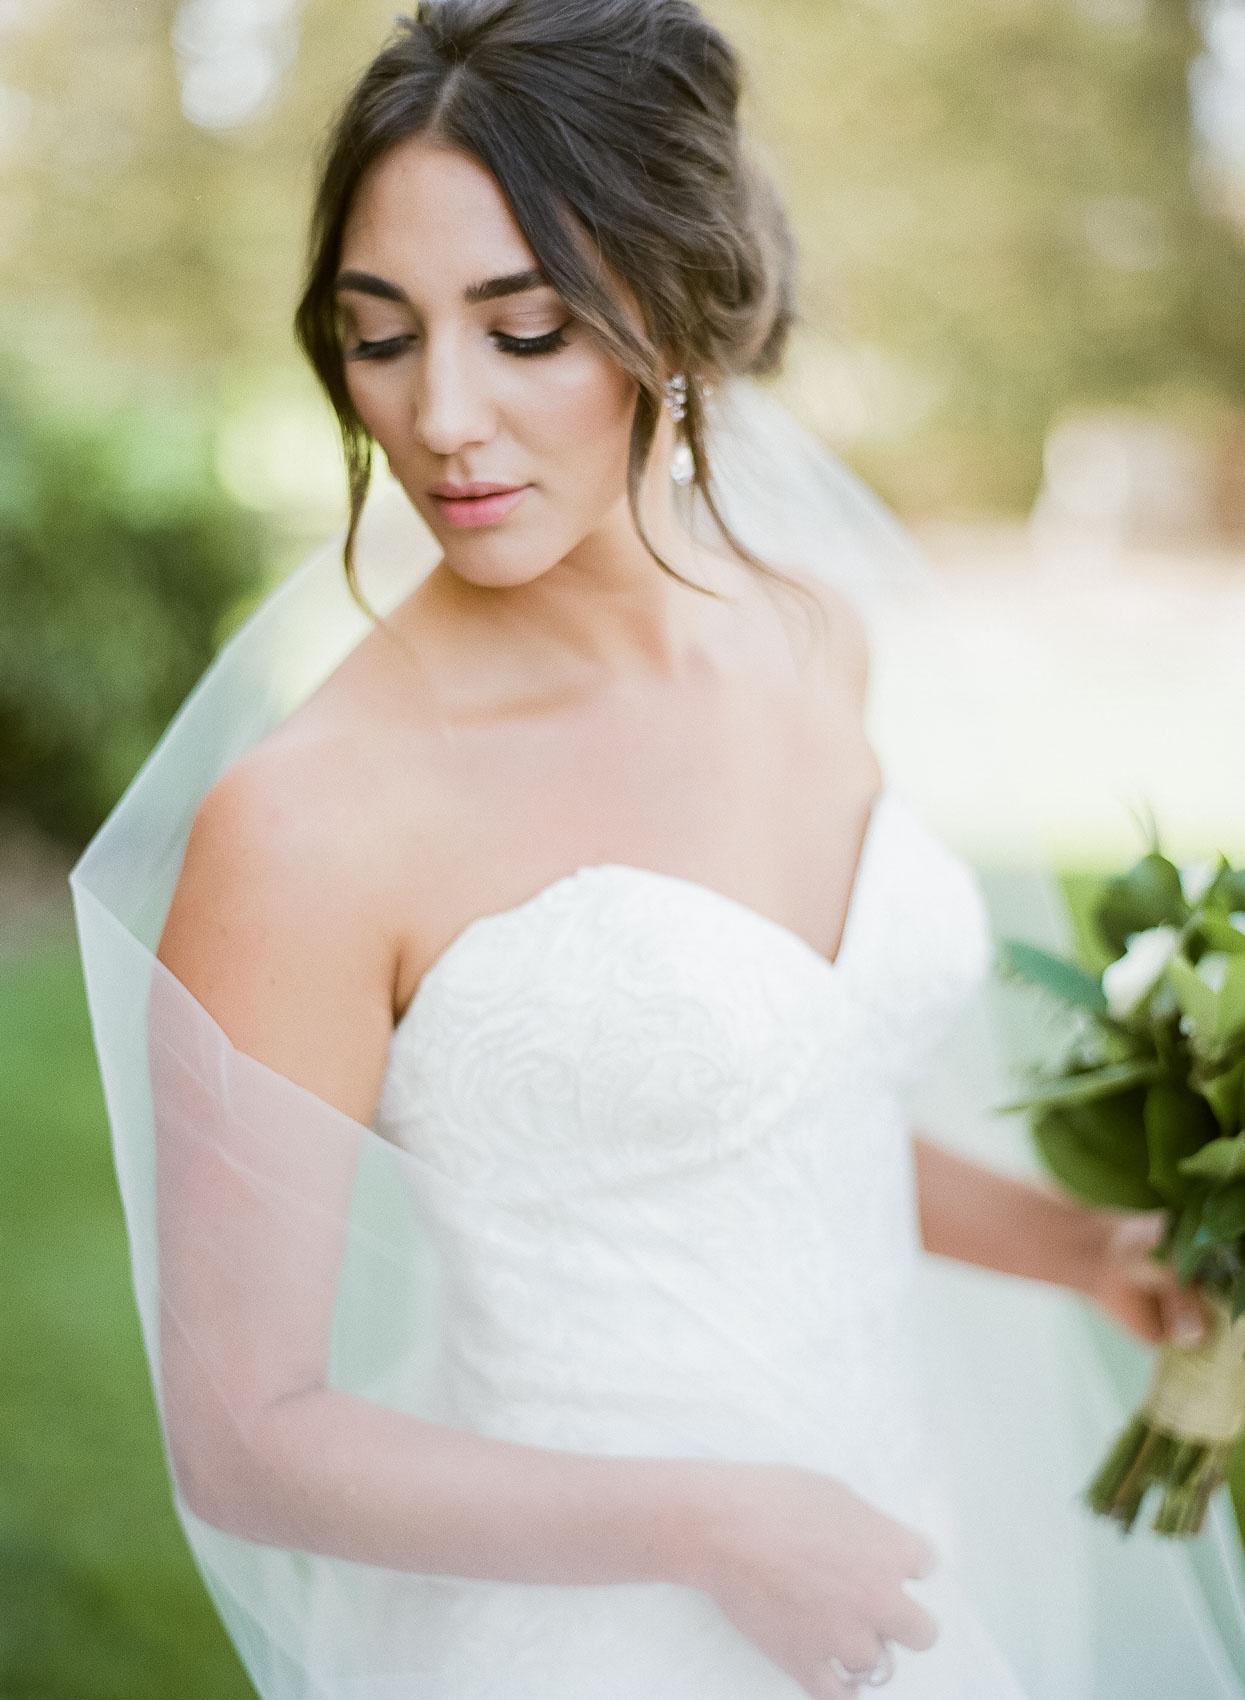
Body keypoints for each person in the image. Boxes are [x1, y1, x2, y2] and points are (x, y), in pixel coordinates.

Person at [72, 2, 1245, 1696]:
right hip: (584, 1635)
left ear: (671, 311)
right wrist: (708, 1528)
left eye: (525, 329)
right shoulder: (313, 822)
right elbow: (248, 1438)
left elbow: (772, 1110)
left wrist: (1075, 1245)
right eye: (379, 336)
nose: (442, 419)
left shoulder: (807, 633)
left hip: (891, 1566)